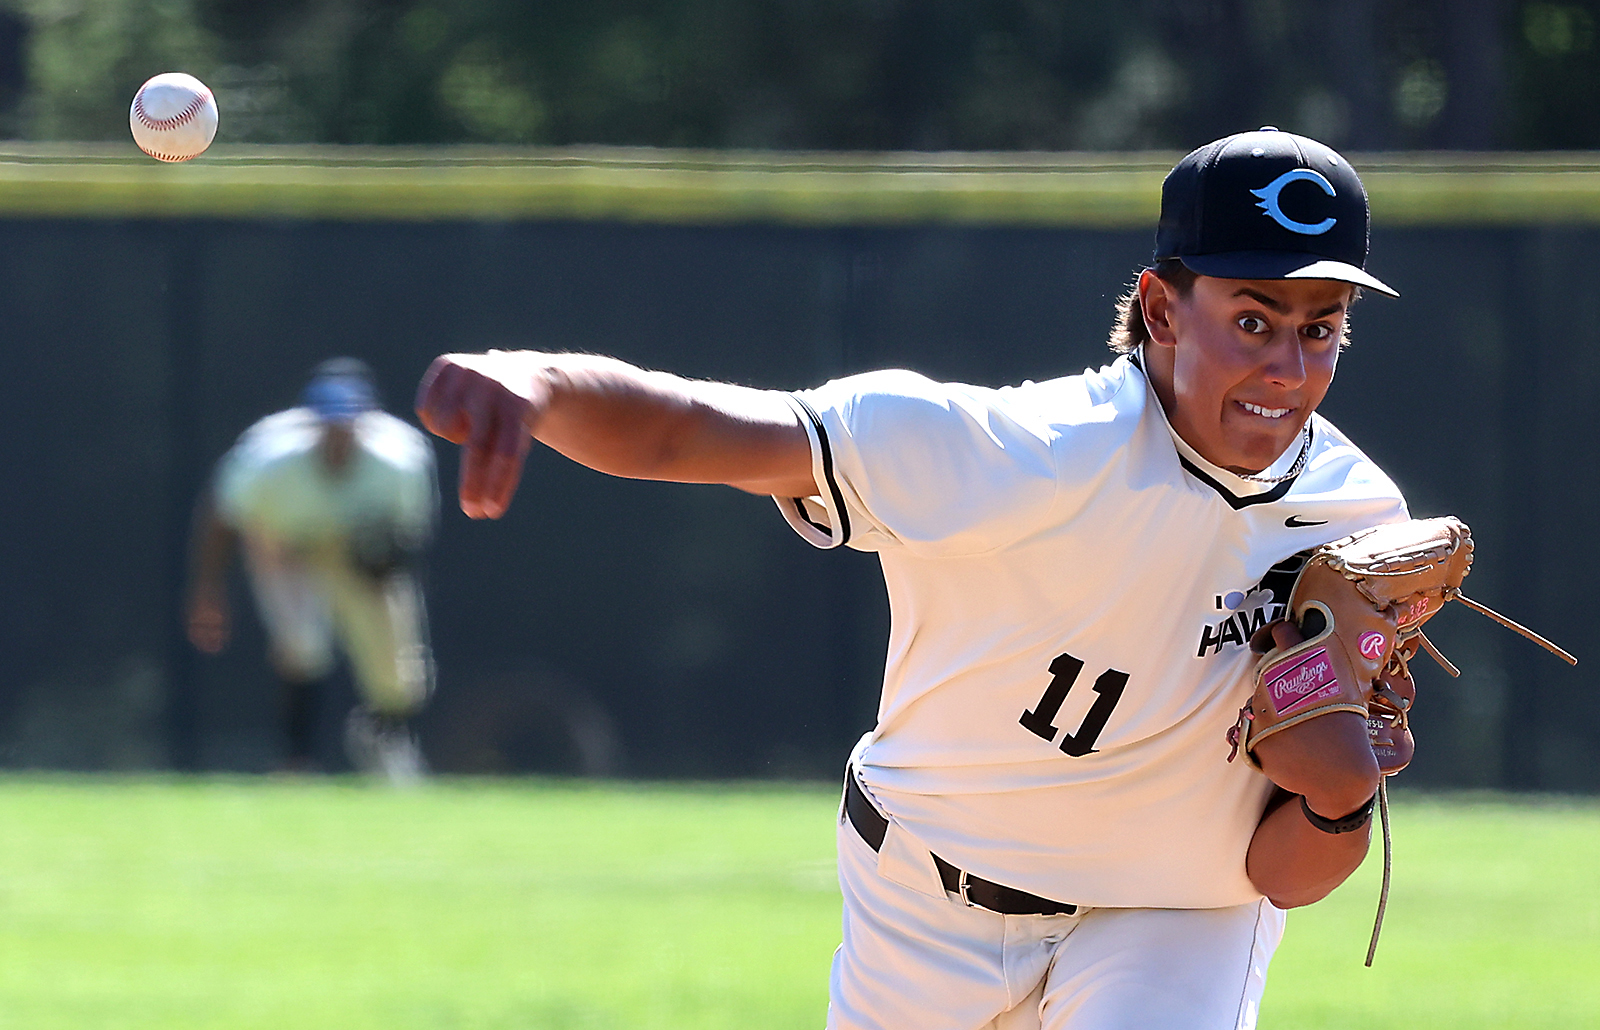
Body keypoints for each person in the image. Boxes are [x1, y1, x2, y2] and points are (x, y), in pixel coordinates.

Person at [415, 128, 1406, 1028]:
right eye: (1252, 317)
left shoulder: (1359, 523)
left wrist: (1337, 804)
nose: (1285, 363)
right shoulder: (1024, 452)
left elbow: (1287, 873)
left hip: (1173, 915)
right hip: (923, 900)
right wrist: (539, 381)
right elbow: (702, 430)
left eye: (1319, 327)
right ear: (1160, 310)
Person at [187, 358, 438, 782]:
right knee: (302, 646)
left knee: (398, 671)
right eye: (329, 426)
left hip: (353, 553)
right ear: (311, 425)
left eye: (347, 425)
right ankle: (296, 762)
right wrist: (208, 589)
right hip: (285, 546)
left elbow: (409, 534)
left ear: (366, 422)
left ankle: (385, 742)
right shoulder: (269, 459)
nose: (338, 437)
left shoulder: (400, 460)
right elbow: (222, 516)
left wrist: (385, 558)